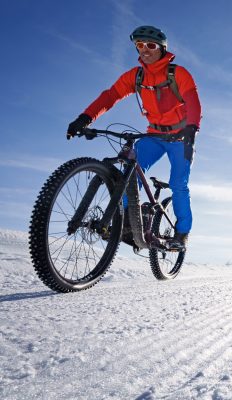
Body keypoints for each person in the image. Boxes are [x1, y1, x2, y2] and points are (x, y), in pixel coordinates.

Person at [67, 25, 201, 249]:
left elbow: (193, 100)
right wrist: (85, 118)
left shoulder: (178, 73)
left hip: (180, 138)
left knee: (179, 183)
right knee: (127, 175)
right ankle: (130, 221)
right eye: (140, 45)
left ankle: (182, 233)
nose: (145, 49)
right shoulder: (136, 76)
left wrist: (192, 128)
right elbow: (110, 96)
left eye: (151, 45)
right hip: (153, 136)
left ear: (162, 48)